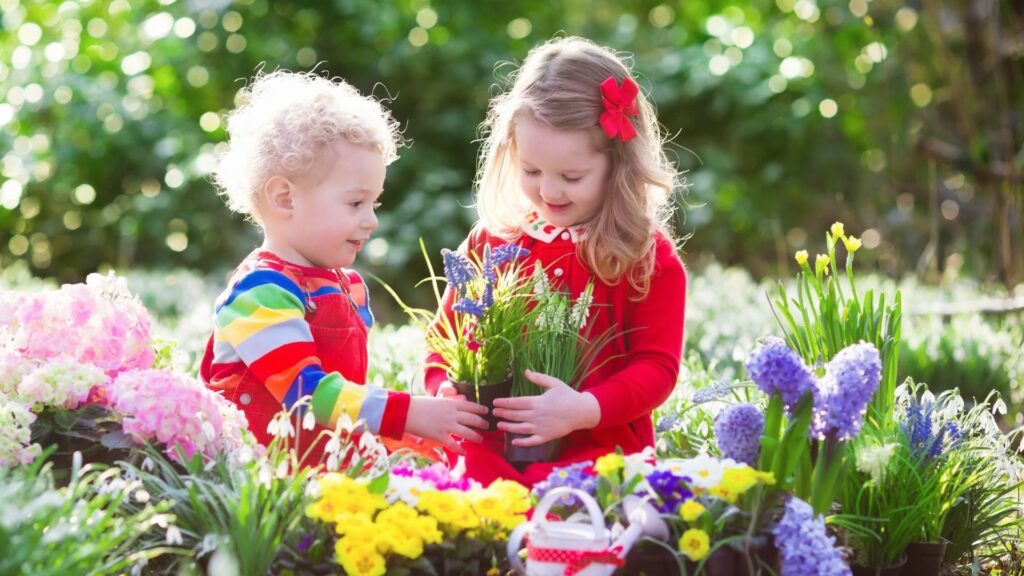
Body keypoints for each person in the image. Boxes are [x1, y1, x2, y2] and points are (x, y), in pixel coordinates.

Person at [424, 37, 688, 486]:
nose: (549, 191)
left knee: (584, 497)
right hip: (494, 442)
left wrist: (583, 409)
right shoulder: (495, 240)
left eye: (572, 176)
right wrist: (445, 390)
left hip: (599, 444)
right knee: (473, 487)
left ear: (618, 166)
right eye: (531, 171)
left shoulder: (643, 256)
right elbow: (443, 337)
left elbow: (657, 368)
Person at [200, 70, 487, 464]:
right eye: (355, 203)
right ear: (285, 198)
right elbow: (308, 396)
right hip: (262, 482)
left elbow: (346, 406)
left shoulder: (346, 286)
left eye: (374, 203)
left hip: (326, 472)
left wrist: (408, 431)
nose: (372, 221)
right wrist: (409, 413)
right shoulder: (260, 292)